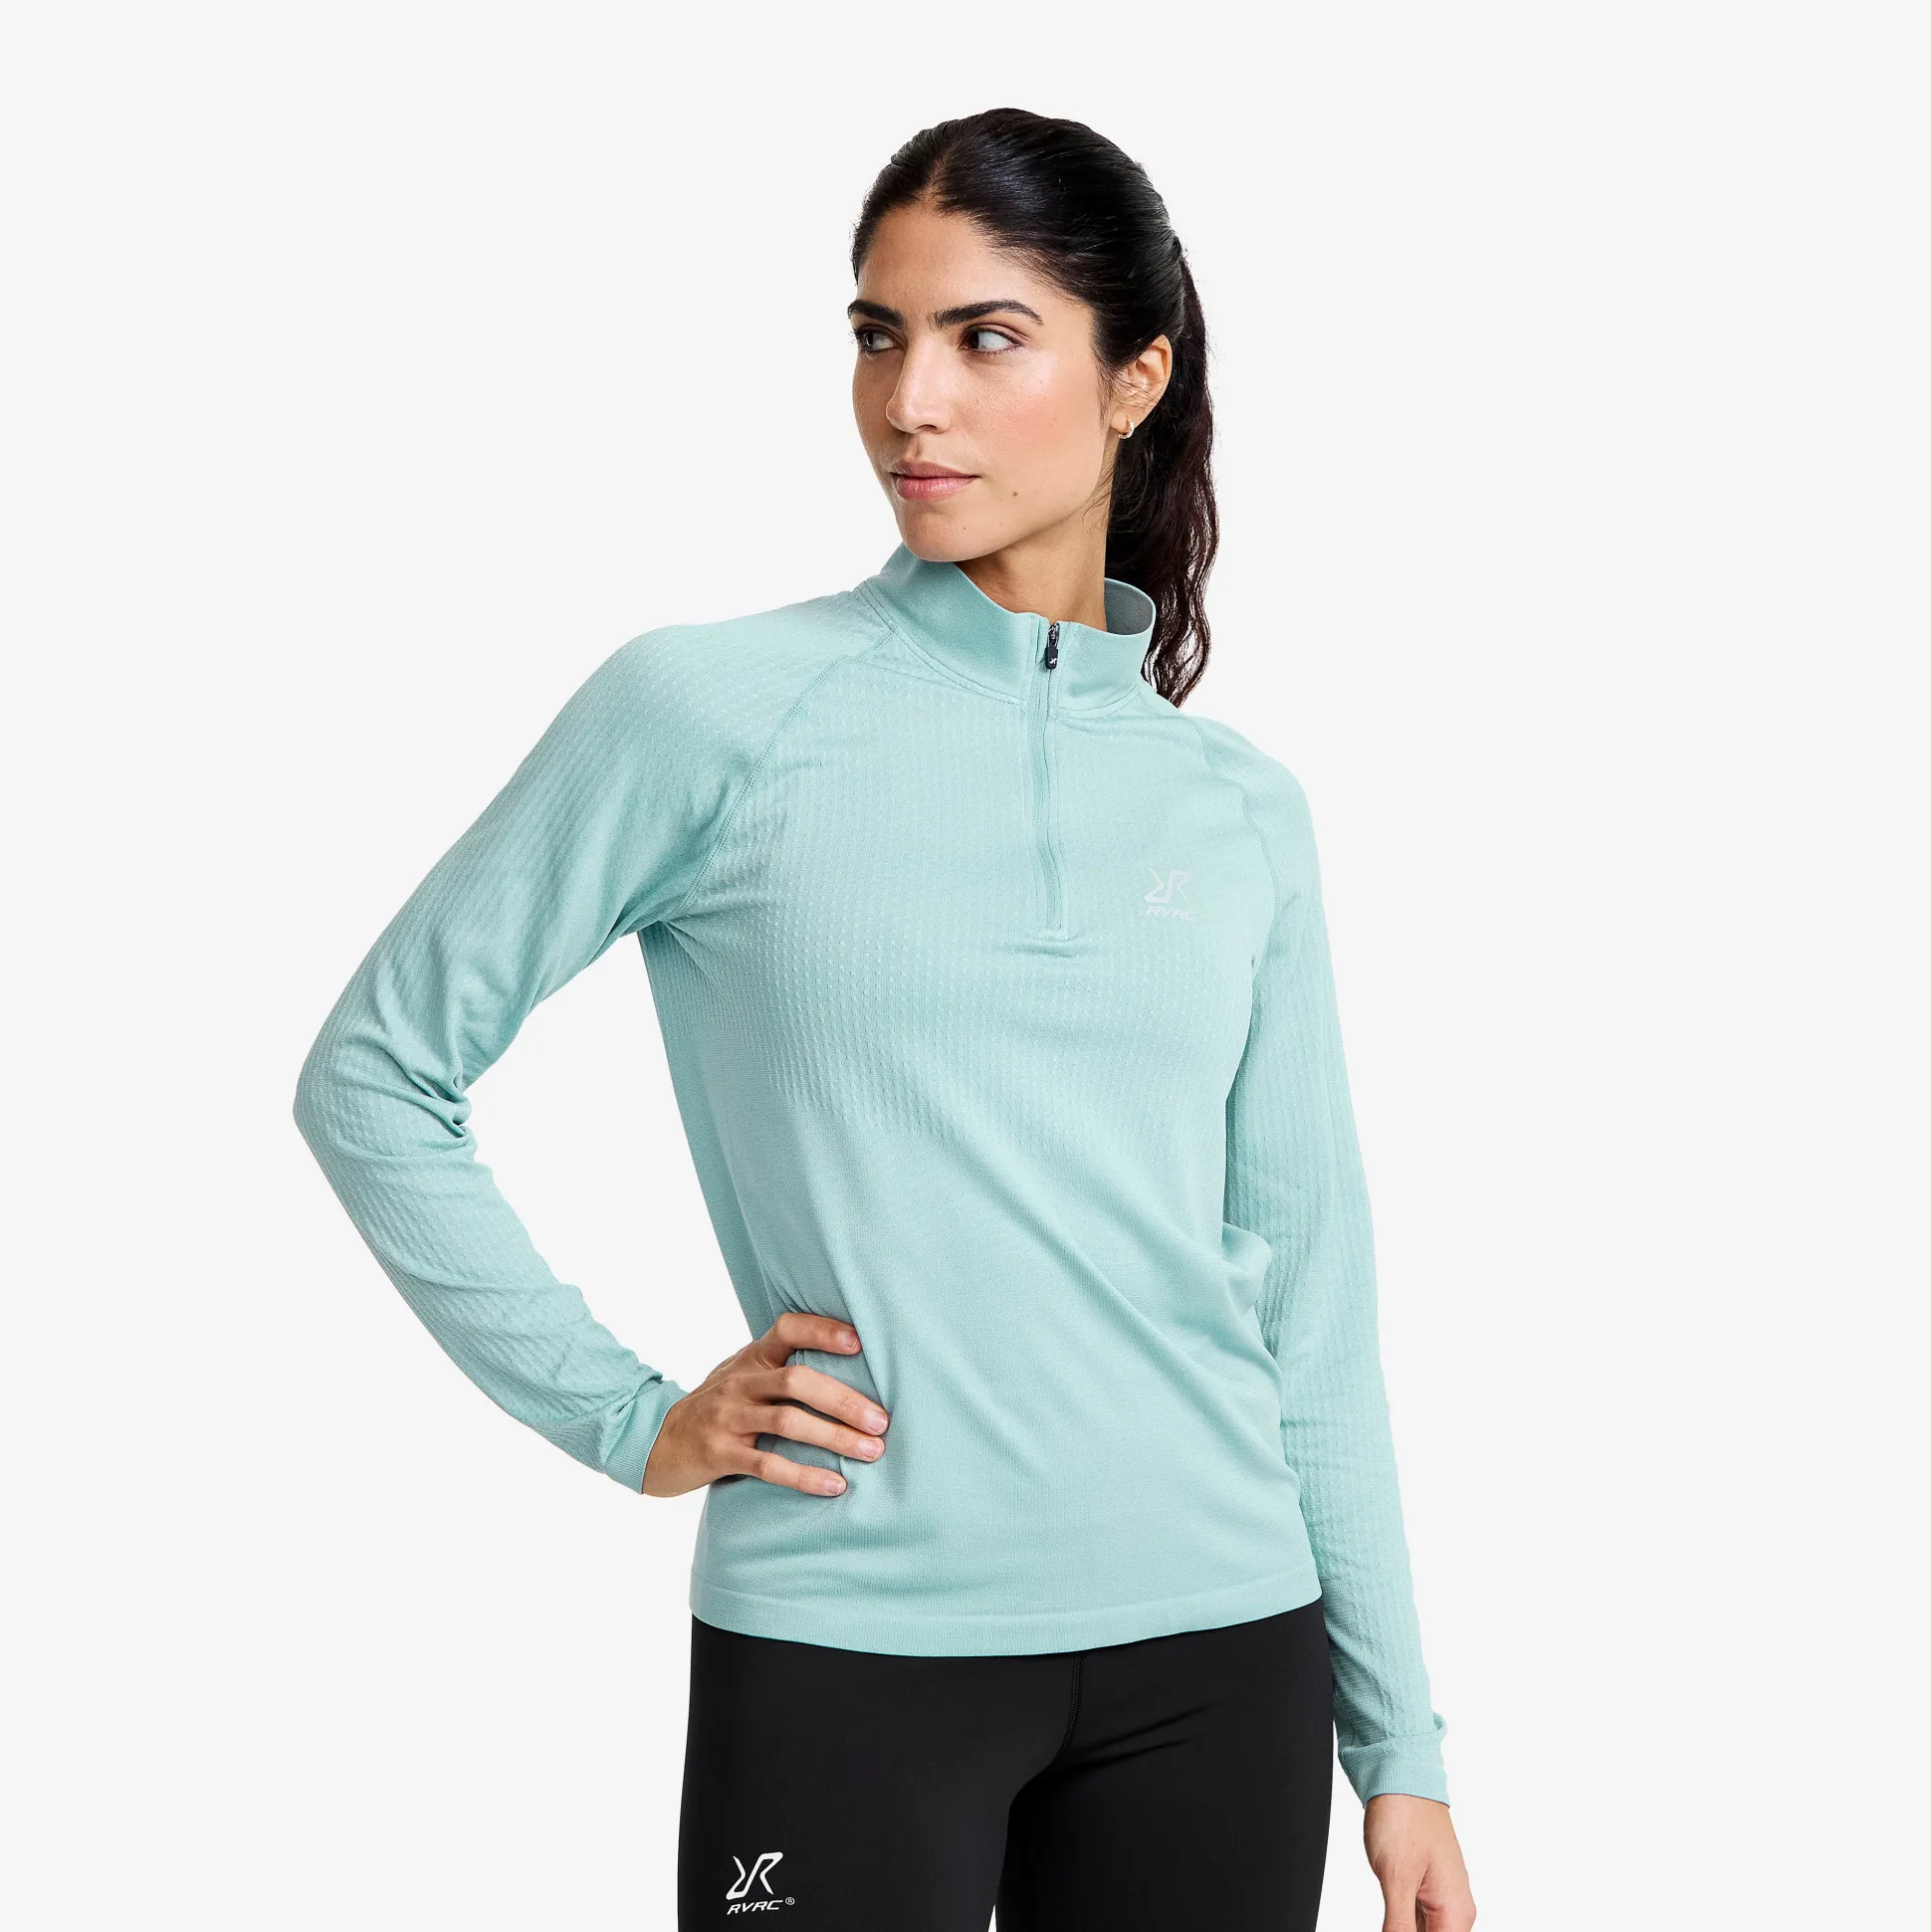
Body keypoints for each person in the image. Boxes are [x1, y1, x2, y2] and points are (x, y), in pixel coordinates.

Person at [293, 106, 1477, 1932]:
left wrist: (1400, 1749)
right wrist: (625, 1418)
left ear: (1135, 377)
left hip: (1223, 1651)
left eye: (986, 338)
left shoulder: (1238, 807)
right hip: (849, 1643)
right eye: (877, 335)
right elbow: (375, 1073)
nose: (908, 404)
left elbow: (1309, 1297)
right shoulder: (710, 711)